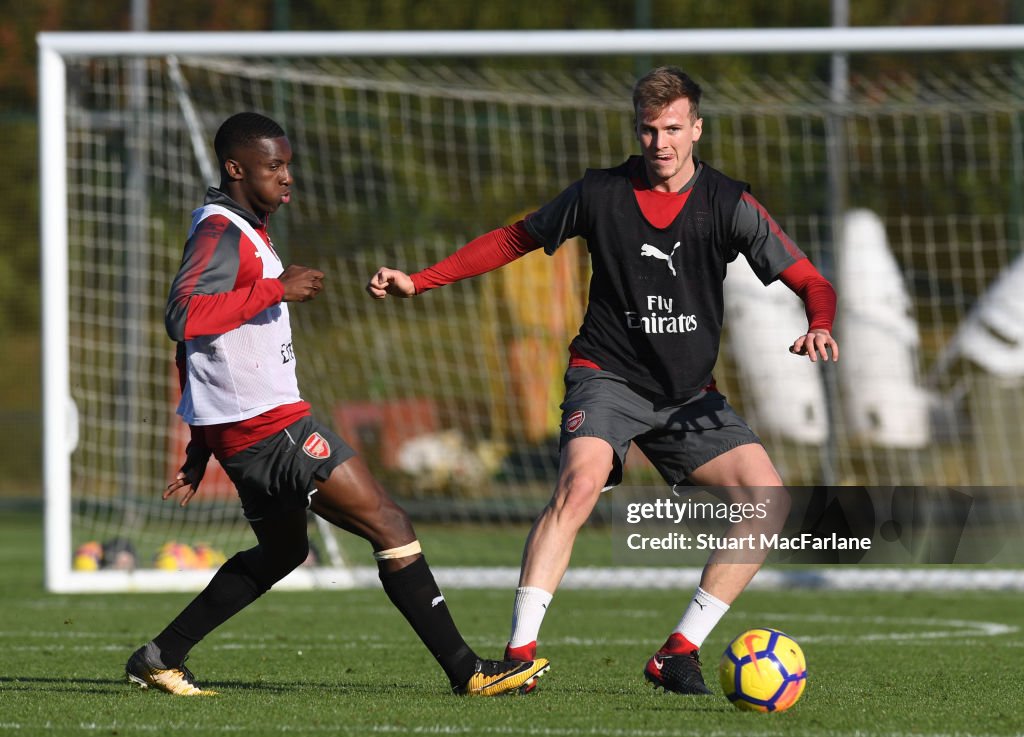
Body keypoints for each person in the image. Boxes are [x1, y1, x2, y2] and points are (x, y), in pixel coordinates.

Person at [367, 67, 839, 695]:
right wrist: (420, 280)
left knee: (769, 502)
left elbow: (812, 279)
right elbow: (515, 238)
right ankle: (517, 655)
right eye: (649, 130)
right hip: (607, 375)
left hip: (687, 397)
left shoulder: (728, 204)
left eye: (673, 128)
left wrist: (821, 322)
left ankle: (678, 652)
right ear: (636, 131)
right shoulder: (599, 193)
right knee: (581, 482)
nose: (661, 143)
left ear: (696, 128)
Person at [125, 112, 549, 698]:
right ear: (236, 168)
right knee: (391, 523)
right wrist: (278, 289)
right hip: (269, 428)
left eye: (288, 165)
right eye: (274, 166)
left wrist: (201, 443)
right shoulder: (219, 230)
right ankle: (468, 671)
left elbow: (199, 345)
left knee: (284, 552)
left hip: (245, 430)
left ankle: (161, 653)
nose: (286, 177)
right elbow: (182, 317)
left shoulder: (246, 228)